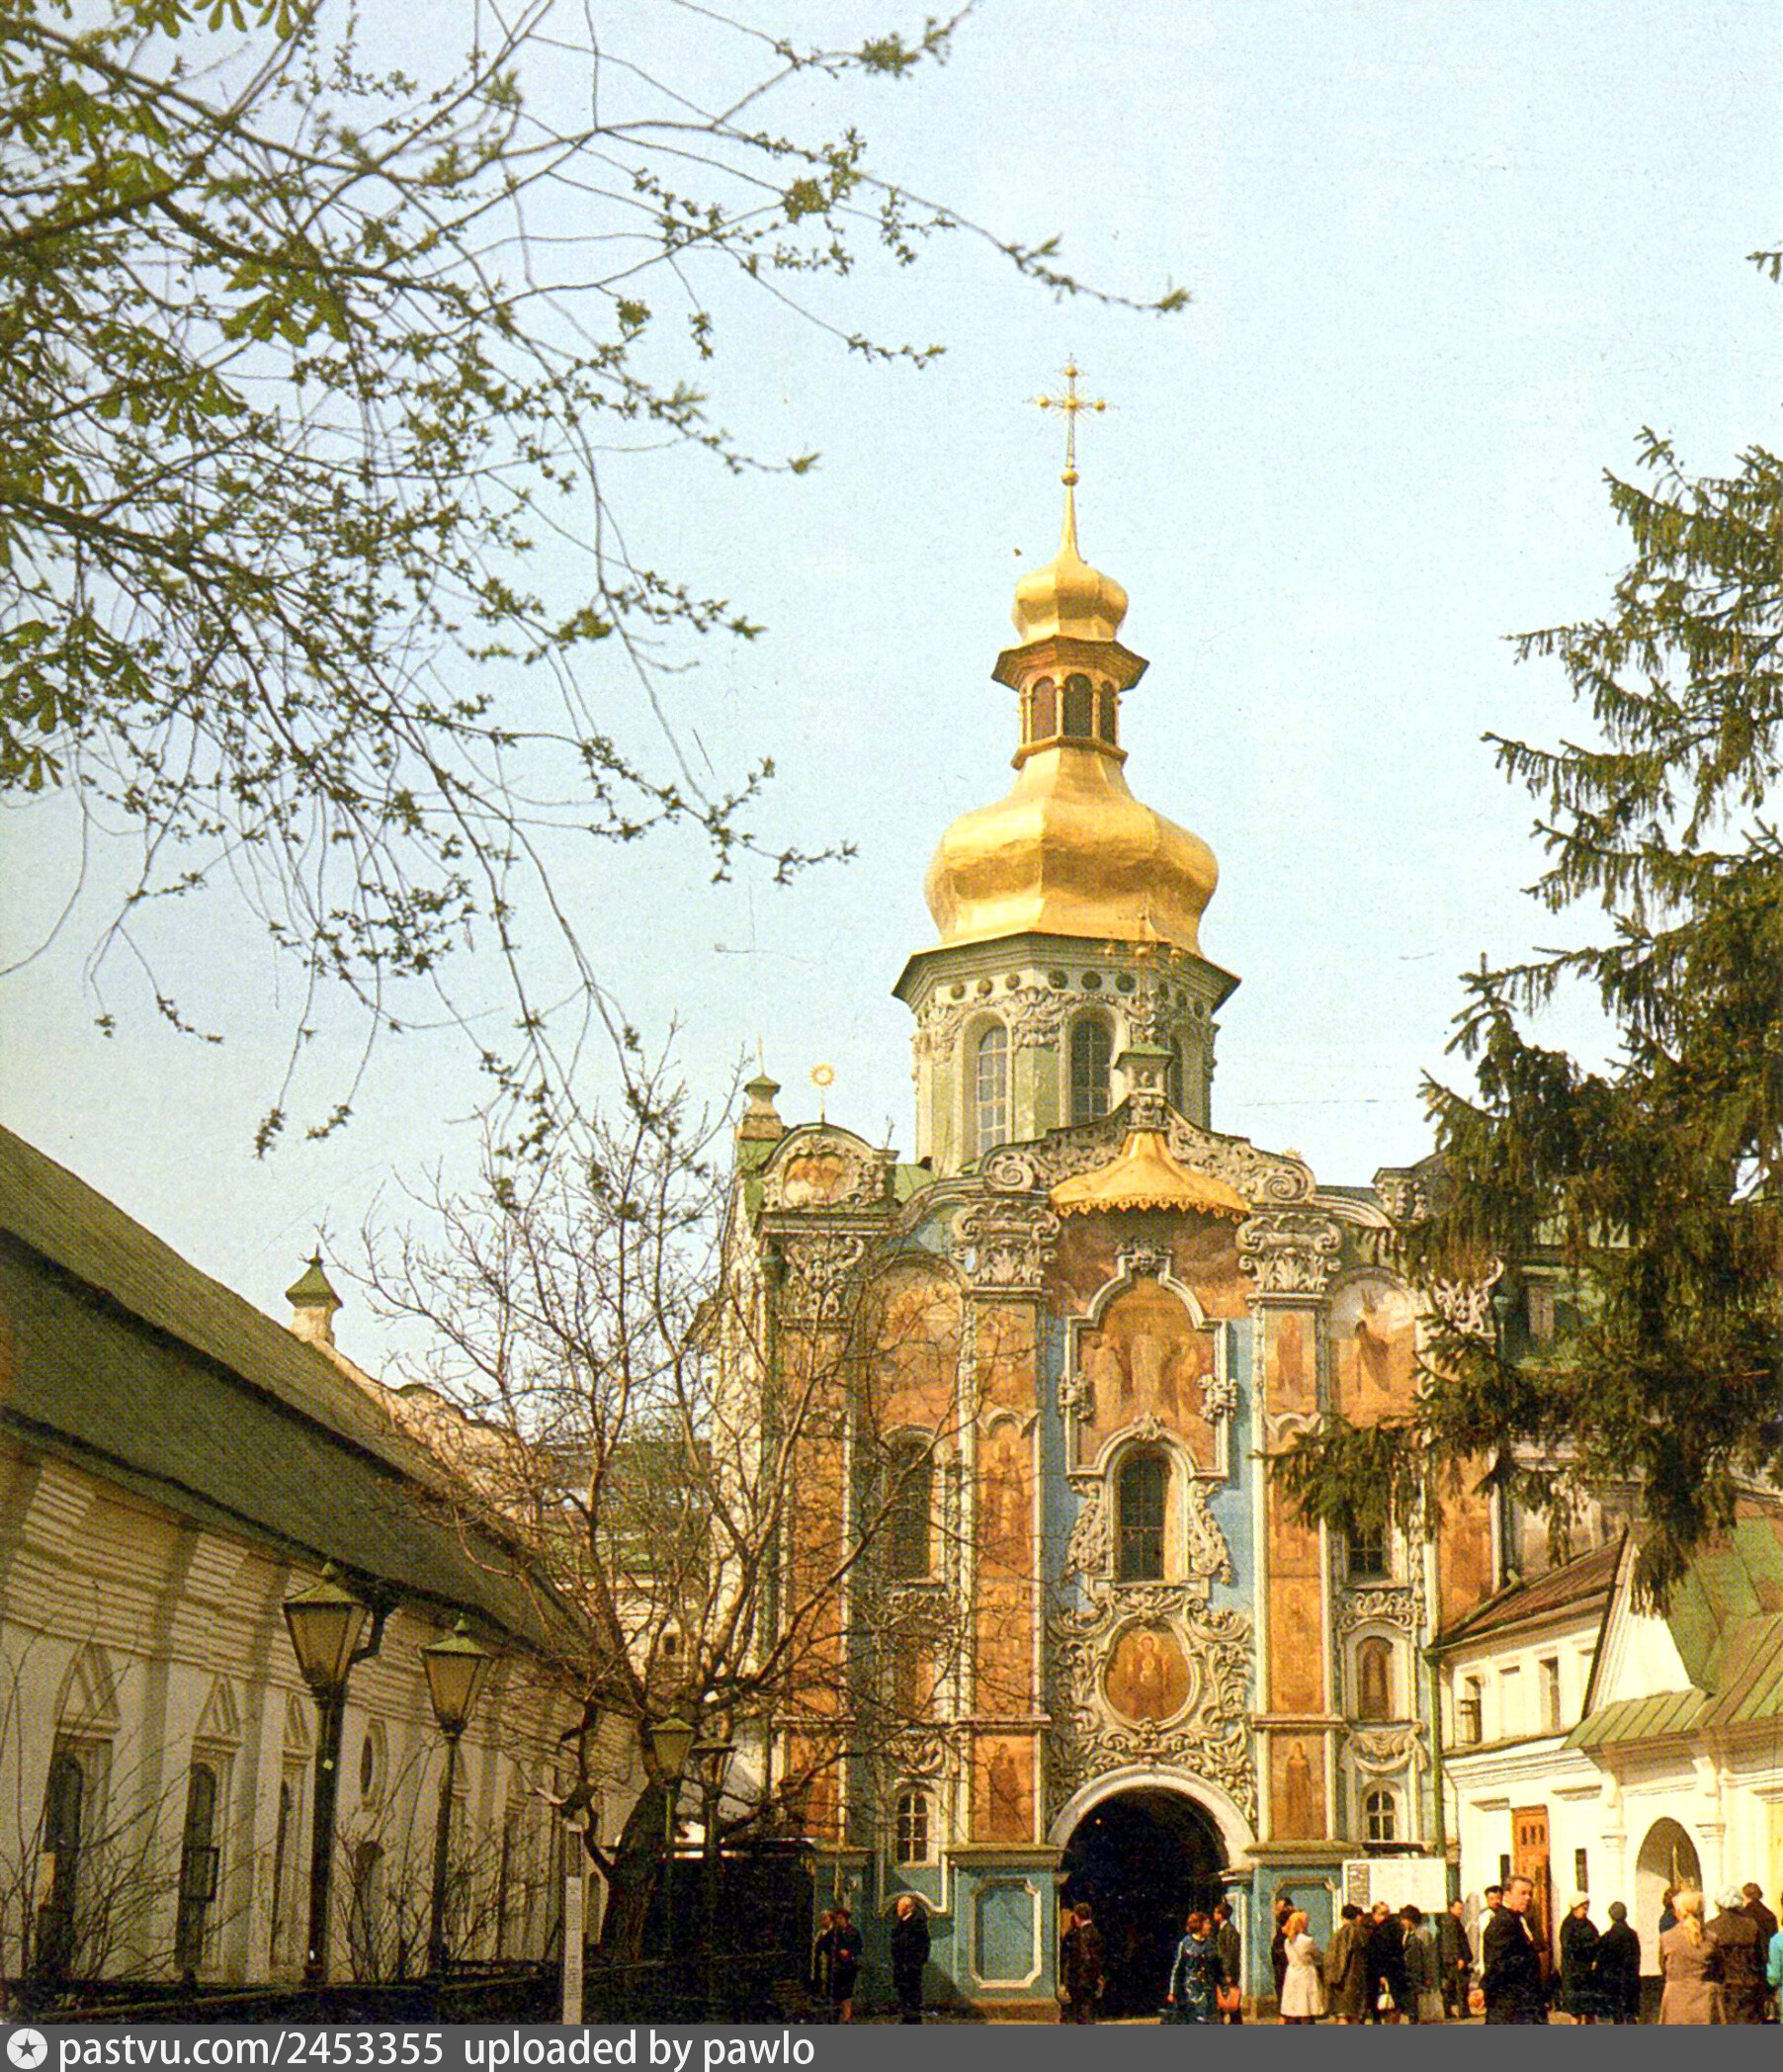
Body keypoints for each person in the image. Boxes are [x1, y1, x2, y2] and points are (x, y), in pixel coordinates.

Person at [1482, 1874, 1548, 2024]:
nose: (1528, 1898)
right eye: (1522, 1893)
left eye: (1530, 1894)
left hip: (1522, 2003)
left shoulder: (1518, 1919)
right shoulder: (1503, 1922)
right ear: (1507, 1895)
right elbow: (1498, 1964)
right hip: (1510, 2006)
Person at [1658, 1890, 1723, 2025]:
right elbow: (1719, 1970)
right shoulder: (1711, 1938)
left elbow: (1663, 1968)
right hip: (1705, 2000)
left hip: (1675, 2001)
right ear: (1701, 1911)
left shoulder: (1666, 1938)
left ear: (1678, 1912)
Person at [1707, 1885, 1765, 2024]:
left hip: (1723, 1986)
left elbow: (1709, 1961)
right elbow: (1760, 1958)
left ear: (1718, 1904)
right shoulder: (1751, 1925)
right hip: (1749, 1985)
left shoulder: (1711, 1927)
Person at [1166, 1911, 1224, 2025]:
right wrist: (1173, 1992)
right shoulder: (1185, 1944)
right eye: (1207, 1923)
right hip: (1191, 1992)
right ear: (1199, 1925)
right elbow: (1177, 1969)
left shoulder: (1211, 1944)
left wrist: (1223, 1987)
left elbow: (1218, 1968)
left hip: (1209, 1992)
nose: (1210, 1926)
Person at [1594, 1901, 1641, 2024]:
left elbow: (1601, 1962)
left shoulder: (1607, 1937)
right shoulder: (1633, 1935)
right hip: (1630, 1980)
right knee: (1630, 2015)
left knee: (1617, 2017)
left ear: (1611, 1916)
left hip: (1613, 1982)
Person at [1060, 1901, 1104, 2025]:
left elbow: (1081, 1957)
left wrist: (1068, 1979)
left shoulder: (1077, 1935)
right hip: (1091, 1979)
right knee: (1088, 2011)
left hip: (1079, 1979)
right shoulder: (1096, 1933)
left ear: (1077, 1916)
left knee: (1082, 2013)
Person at [1325, 1904, 1370, 2024]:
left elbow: (1339, 1958)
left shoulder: (1342, 1933)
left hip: (1344, 1981)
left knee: (1343, 2015)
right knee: (1355, 2015)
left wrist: (1333, 1978)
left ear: (1342, 1917)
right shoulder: (1363, 1933)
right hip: (1359, 1979)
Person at [1558, 1897, 1600, 2023]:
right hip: (1573, 1973)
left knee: (1589, 2010)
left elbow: (1596, 1939)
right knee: (1575, 2012)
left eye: (1587, 1909)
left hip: (1587, 1972)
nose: (1585, 1912)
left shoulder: (1588, 1924)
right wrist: (1589, 1946)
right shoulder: (1568, 1925)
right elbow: (1569, 1947)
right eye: (1583, 1909)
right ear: (1575, 1908)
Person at [891, 1895, 930, 2026]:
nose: (898, 1909)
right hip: (900, 1965)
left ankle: (913, 2019)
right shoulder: (900, 1922)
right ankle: (906, 2016)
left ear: (907, 1908)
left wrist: (916, 1962)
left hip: (911, 1966)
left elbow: (924, 1945)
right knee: (902, 1992)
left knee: (912, 1993)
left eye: (900, 1906)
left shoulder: (917, 1923)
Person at [1279, 1908, 1324, 2024]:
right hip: (1306, 1975)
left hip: (1292, 1974)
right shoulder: (1307, 1941)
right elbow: (1318, 1956)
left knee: (1292, 2009)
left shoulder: (1287, 1941)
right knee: (1306, 2008)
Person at [1367, 1899, 1407, 2022]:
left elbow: (1380, 1954)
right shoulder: (1397, 1928)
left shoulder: (1380, 1931)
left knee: (1385, 2005)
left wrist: (1381, 1974)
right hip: (1397, 1970)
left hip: (1384, 1972)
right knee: (1394, 2005)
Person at [821, 1905, 864, 2023]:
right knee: (835, 1995)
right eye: (837, 1918)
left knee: (847, 1994)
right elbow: (826, 1946)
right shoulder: (834, 1933)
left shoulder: (853, 1932)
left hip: (848, 1967)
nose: (838, 1920)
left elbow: (858, 1948)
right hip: (836, 1967)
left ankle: (847, 2018)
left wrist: (849, 1952)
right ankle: (834, 2017)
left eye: (841, 1918)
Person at [1401, 1905, 1442, 2024]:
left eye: (1404, 1919)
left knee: (1420, 2000)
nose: (1402, 1922)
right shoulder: (1408, 1933)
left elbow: (1428, 1955)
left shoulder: (1423, 1933)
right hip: (1411, 1971)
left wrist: (1429, 1975)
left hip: (1420, 1972)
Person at [1437, 1897, 1472, 2019]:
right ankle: (1463, 2011)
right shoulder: (1451, 1922)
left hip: (1450, 1959)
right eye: (1459, 1909)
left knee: (1450, 1985)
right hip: (1455, 1959)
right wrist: (1459, 1958)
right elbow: (1453, 1941)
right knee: (1460, 1986)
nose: (1461, 1911)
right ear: (1451, 1908)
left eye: (1462, 1909)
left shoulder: (1449, 1920)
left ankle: (1448, 2011)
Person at [1212, 1899, 1242, 2024]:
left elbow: (1230, 1953)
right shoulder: (1222, 1929)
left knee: (1230, 1999)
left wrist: (1228, 1973)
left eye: (1216, 1912)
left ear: (1221, 1914)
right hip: (1223, 1970)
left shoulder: (1229, 1930)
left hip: (1227, 1972)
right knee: (1226, 1999)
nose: (1214, 1915)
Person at [1270, 1893, 1293, 2010]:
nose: (1276, 1912)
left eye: (1279, 1909)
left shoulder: (1289, 1929)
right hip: (1279, 1965)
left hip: (1285, 1965)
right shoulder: (1280, 1928)